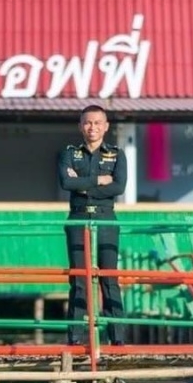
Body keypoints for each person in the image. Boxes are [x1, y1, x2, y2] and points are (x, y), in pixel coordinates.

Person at [57, 105, 127, 346]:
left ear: (106, 126)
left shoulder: (117, 154)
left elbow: (118, 187)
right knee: (78, 281)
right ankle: (75, 339)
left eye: (98, 123)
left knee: (109, 279)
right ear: (80, 126)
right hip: (77, 219)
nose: (92, 127)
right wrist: (98, 180)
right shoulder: (69, 153)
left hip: (106, 218)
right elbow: (66, 182)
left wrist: (82, 184)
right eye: (88, 123)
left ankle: (117, 340)